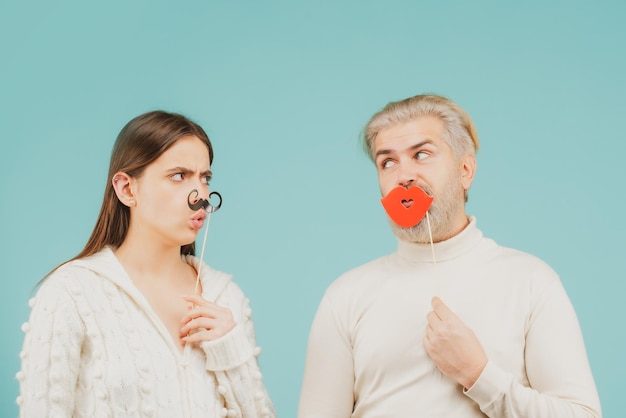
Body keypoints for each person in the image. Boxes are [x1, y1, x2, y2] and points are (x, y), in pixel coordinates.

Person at [298, 94, 601, 417]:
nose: (404, 176)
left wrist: (479, 374)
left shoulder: (531, 281)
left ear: (465, 170)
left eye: (422, 154)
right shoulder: (345, 296)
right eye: (387, 162)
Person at [17, 111, 276, 418]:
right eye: (178, 176)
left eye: (205, 178)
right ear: (127, 189)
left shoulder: (227, 297)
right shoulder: (71, 293)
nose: (201, 197)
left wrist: (230, 348)